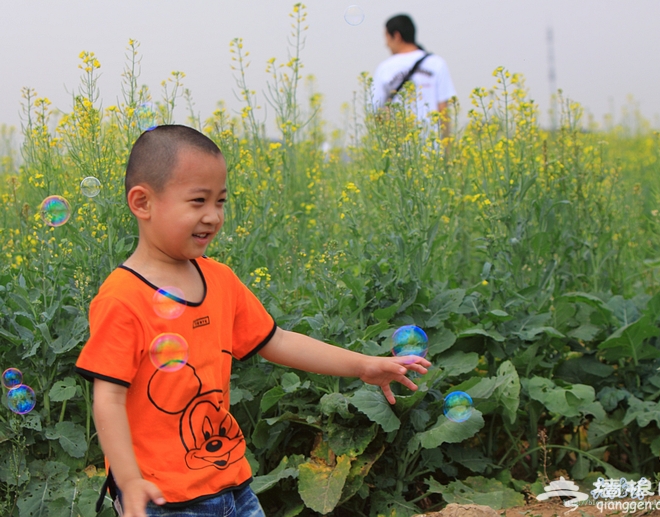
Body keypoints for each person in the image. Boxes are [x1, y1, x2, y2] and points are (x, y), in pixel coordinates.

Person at [75, 125, 430, 517]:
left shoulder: (220, 280)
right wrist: (128, 481)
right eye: (197, 201)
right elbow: (107, 398)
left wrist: (363, 365)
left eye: (221, 201)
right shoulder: (122, 298)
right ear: (142, 202)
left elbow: (276, 340)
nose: (213, 216)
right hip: (161, 499)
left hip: (232, 486)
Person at [372, 14, 457, 135]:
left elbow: (376, 111)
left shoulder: (385, 68)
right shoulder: (437, 63)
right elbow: (443, 109)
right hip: (433, 148)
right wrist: (448, 149)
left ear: (396, 36)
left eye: (386, 38)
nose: (386, 44)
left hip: (398, 148)